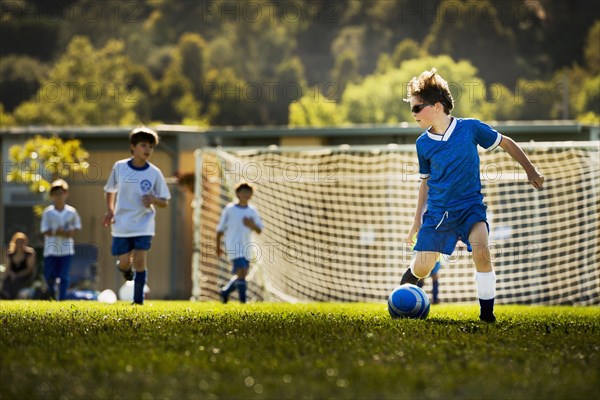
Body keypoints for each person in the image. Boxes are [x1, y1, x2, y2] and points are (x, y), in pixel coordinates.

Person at [400, 69, 544, 322]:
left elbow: (506, 142)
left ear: (436, 106)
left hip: (470, 208)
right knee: (423, 268)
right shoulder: (422, 143)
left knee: (482, 251)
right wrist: (416, 221)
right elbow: (426, 182)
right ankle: (409, 280)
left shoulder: (470, 128)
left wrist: (530, 169)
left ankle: (487, 316)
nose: (412, 115)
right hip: (438, 213)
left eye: (416, 109)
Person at [103, 126, 170, 305]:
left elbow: (165, 201)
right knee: (125, 262)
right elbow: (110, 190)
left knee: (140, 261)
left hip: (144, 224)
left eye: (150, 146)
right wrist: (110, 211)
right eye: (143, 145)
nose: (147, 150)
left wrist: (154, 199)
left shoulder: (154, 173)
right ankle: (125, 271)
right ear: (133, 147)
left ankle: (138, 301)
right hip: (122, 224)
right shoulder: (120, 167)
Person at [216, 182, 264, 304]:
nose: (246, 194)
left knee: (242, 274)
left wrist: (251, 224)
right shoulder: (230, 209)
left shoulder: (252, 210)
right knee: (242, 270)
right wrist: (218, 246)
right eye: (243, 192)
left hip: (247, 247)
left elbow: (259, 230)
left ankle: (225, 291)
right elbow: (220, 229)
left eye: (248, 192)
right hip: (233, 246)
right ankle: (243, 301)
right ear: (237, 193)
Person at [41, 179, 82, 300]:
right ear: (52, 196)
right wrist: (55, 232)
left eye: (61, 193)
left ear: (66, 194)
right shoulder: (48, 212)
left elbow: (77, 227)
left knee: (64, 276)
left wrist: (69, 232)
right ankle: (53, 296)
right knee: (49, 276)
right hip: (51, 250)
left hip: (66, 250)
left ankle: (62, 299)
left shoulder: (71, 212)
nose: (59, 196)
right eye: (56, 193)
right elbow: (44, 230)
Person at [1, 232, 36, 299]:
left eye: (21, 242)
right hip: (12, 276)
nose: (19, 244)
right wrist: (12, 274)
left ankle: (13, 297)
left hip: (24, 276)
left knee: (17, 281)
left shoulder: (29, 254)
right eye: (18, 242)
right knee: (7, 280)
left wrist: (18, 275)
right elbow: (7, 268)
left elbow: (30, 269)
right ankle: (5, 296)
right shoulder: (11, 255)